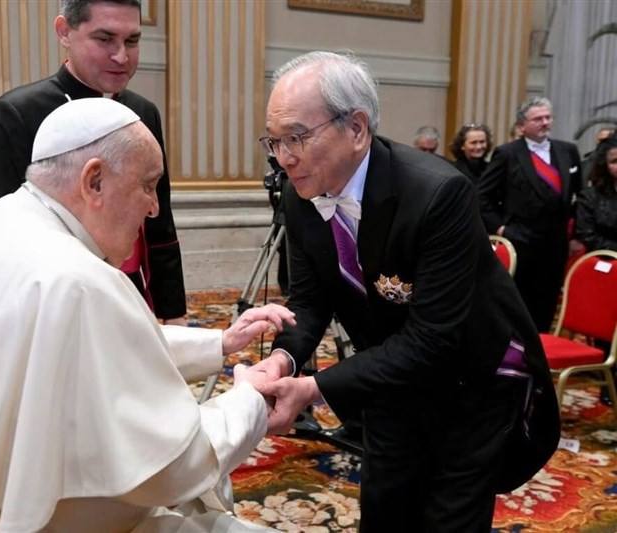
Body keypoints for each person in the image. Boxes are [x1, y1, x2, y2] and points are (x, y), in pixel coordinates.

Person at [0, 98, 294, 532]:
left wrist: (218, 344)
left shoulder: (2, 220)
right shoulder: (79, 277)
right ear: (94, 181)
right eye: (148, 185)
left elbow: (90, 345)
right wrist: (249, 400)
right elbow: (173, 466)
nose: (154, 208)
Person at [249, 51, 559, 532]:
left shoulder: (438, 193)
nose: (283, 157)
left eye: (297, 138)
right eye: (275, 141)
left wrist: (313, 389)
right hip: (390, 382)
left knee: (447, 518)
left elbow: (433, 339)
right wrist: (282, 362)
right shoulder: (300, 192)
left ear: (356, 128)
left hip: (470, 384)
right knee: (386, 510)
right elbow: (311, 302)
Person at [0, 0, 186, 324]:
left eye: (132, 41)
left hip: (130, 296)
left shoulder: (143, 113)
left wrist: (172, 309)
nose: (122, 56)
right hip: (49, 306)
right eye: (104, 39)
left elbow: (158, 222)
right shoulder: (15, 114)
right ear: (64, 32)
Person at [479, 96, 582, 332]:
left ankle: (544, 351)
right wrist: (501, 228)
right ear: (522, 125)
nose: (545, 122)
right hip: (521, 240)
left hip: (556, 243)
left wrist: (575, 234)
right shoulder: (507, 153)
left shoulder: (568, 151)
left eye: (548, 117)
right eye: (538, 119)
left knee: (547, 301)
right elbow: (481, 196)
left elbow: (579, 195)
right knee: (521, 304)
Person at [575, 135, 617, 252]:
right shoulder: (590, 197)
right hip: (606, 259)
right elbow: (587, 235)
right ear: (605, 165)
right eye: (614, 161)